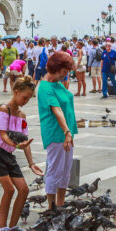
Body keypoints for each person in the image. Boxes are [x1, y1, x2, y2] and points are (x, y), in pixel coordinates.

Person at [0, 76, 43, 229]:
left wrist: (32, 164)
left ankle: (12, 227)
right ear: (16, 92)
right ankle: (2, 228)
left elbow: (25, 140)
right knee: (9, 189)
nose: (26, 101)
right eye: (25, 97)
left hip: (8, 154)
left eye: (29, 99)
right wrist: (17, 146)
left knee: (24, 190)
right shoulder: (4, 109)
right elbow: (3, 136)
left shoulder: (22, 116)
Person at [37, 51, 77, 209]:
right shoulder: (45, 87)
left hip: (67, 133)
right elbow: (57, 110)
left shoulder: (56, 83)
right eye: (64, 72)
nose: (65, 75)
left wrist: (69, 132)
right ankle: (51, 207)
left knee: (65, 171)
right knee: (55, 170)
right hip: (56, 133)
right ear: (55, 68)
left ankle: (60, 205)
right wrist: (66, 132)